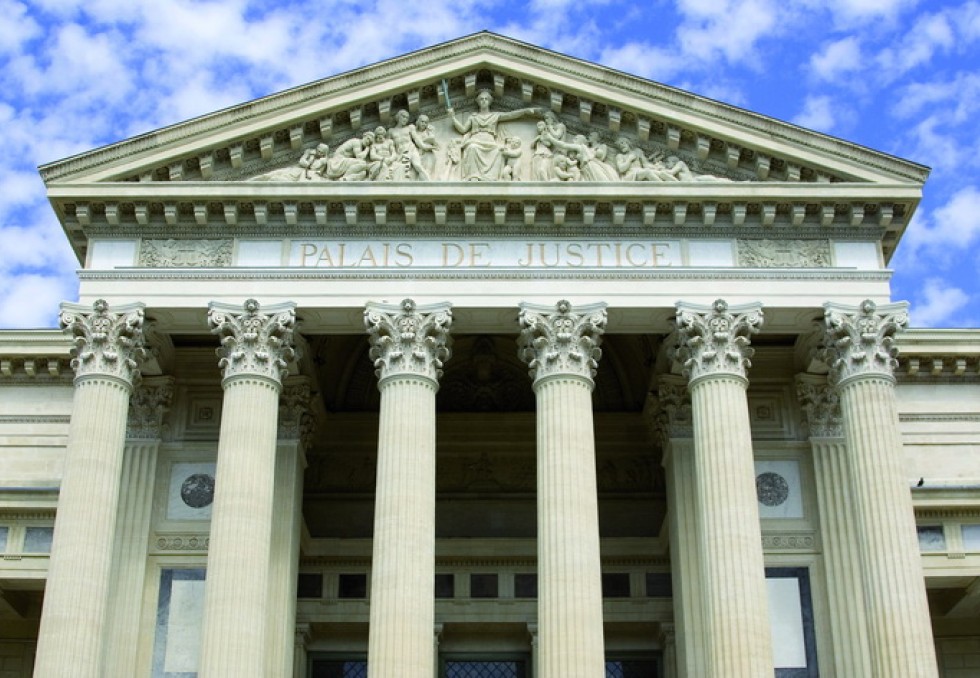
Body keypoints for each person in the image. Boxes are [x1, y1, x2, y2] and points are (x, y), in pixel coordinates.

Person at [448, 89, 540, 180]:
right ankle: (473, 177)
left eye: (486, 99)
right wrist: (453, 117)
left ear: (489, 101)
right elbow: (463, 129)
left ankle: (492, 179)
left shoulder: (495, 115)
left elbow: (511, 115)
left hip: (490, 142)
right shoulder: (473, 117)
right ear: (478, 102)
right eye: (481, 99)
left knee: (498, 151)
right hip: (475, 140)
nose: (484, 101)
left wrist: (524, 111)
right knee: (472, 148)